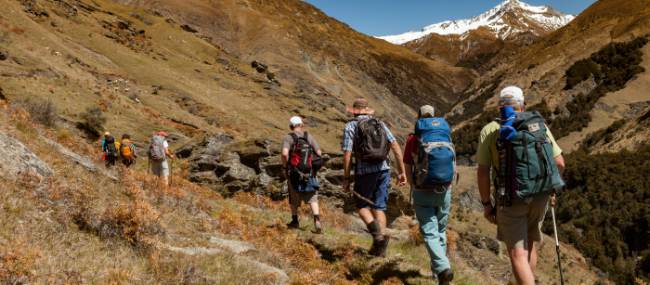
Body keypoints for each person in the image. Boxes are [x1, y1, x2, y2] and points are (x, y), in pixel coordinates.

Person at [476, 86, 565, 285]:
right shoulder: (538, 125)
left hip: (511, 198)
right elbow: (560, 163)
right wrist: (551, 190)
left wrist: (486, 204)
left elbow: (483, 172)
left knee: (517, 254)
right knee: (529, 245)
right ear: (523, 105)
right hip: (540, 195)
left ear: (500, 107)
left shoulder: (490, 130)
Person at [341, 97, 407, 257]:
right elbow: (396, 148)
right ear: (367, 109)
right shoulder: (380, 124)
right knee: (379, 207)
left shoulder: (350, 126)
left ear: (354, 111)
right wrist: (402, 171)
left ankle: (377, 237)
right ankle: (381, 248)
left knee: (361, 206)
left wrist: (347, 177)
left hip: (364, 171)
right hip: (384, 169)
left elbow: (347, 154)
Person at [403, 105, 454, 284]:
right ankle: (438, 273)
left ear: (418, 118)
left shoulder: (413, 139)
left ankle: (442, 268)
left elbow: (408, 165)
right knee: (440, 229)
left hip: (422, 189)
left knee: (429, 231)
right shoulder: (444, 134)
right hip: (444, 189)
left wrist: (413, 184)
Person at [281, 116, 324, 234]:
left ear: (291, 126)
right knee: (312, 197)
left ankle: (295, 221)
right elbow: (319, 153)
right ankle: (317, 220)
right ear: (302, 125)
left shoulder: (288, 137)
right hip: (309, 172)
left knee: (293, 196)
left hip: (294, 172)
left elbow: (285, 154)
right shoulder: (308, 136)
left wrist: (285, 167)